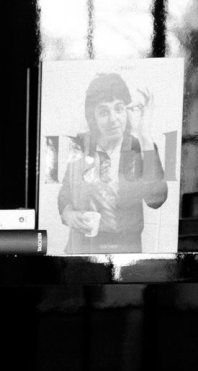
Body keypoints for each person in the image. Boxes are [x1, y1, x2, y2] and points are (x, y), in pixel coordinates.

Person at [57, 71, 167, 254]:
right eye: (103, 112)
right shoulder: (81, 145)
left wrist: (145, 136)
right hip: (81, 249)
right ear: (93, 118)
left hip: (124, 253)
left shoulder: (139, 148)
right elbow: (65, 192)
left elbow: (156, 200)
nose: (113, 119)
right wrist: (68, 214)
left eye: (119, 108)